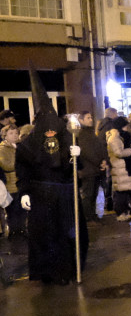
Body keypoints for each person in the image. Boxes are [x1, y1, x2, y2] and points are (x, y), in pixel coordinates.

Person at [16, 68, 87, 284]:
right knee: (46, 236)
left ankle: (68, 269)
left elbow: (74, 170)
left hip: (65, 195)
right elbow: (23, 169)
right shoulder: (28, 145)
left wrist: (76, 157)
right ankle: (47, 271)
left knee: (67, 234)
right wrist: (24, 192)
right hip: (41, 196)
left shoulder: (67, 139)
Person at [106, 116, 131, 221]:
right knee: (120, 193)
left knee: (125, 191)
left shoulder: (119, 136)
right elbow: (118, 153)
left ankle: (125, 212)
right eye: (125, 126)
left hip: (123, 168)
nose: (127, 128)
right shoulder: (114, 138)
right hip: (119, 168)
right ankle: (120, 214)